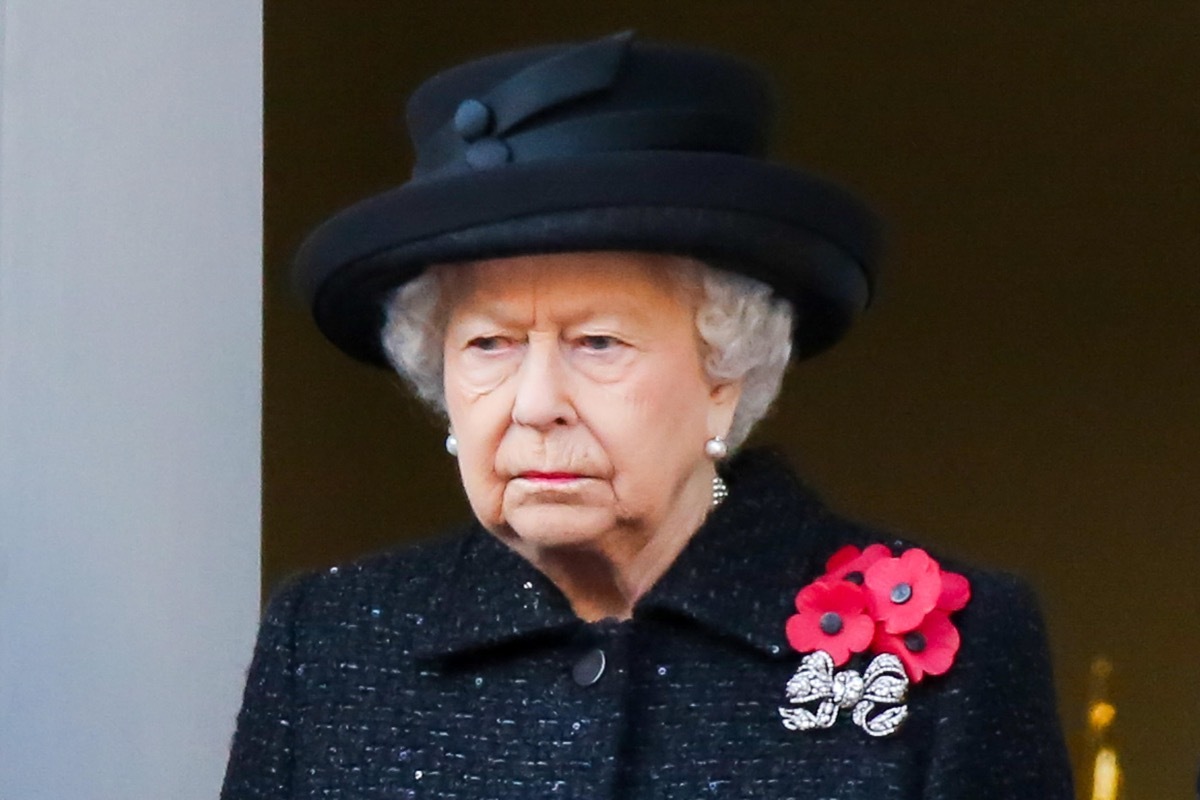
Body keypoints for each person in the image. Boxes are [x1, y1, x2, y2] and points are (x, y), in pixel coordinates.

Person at [222, 32, 1073, 799]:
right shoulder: (327, 643)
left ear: (726, 373)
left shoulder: (959, 652)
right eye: (488, 345)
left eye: (597, 342)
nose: (536, 404)